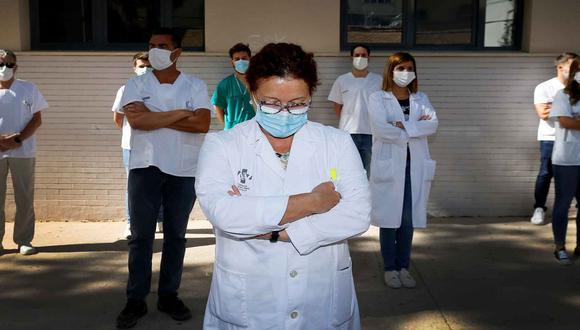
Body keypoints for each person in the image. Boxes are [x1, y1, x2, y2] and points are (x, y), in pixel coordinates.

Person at [196, 43, 370, 329]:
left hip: (321, 297)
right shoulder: (221, 145)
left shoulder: (336, 142)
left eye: (297, 103)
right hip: (248, 303)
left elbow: (358, 214)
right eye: (272, 103)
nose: (285, 112)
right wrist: (314, 202)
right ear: (253, 93)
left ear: (311, 95)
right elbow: (226, 214)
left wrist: (280, 233)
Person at [115, 28, 211, 329]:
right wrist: (182, 113)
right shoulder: (135, 83)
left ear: (177, 52)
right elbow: (138, 121)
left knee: (175, 236)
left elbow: (203, 124)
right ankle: (136, 299)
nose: (156, 50)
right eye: (152, 45)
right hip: (145, 167)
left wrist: (156, 115)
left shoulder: (194, 84)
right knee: (141, 237)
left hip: (183, 171)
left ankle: (169, 295)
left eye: (163, 46)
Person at [368, 52, 438, 289]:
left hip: (414, 165)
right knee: (390, 219)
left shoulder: (420, 98)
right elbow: (381, 130)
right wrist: (414, 129)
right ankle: (390, 268)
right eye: (400, 68)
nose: (405, 73)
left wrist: (403, 125)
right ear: (391, 71)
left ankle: (403, 266)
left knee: (407, 219)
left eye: (409, 68)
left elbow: (433, 124)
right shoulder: (378, 98)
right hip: (390, 164)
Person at [0, 49, 48, 256]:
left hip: (23, 151)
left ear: (16, 67)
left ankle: (24, 240)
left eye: (9, 65)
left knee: (25, 197)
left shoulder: (28, 88)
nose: (4, 69)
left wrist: (17, 139)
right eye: (1, 64)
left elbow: (37, 119)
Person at [111, 52, 163, 240]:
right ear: (134, 68)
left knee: (160, 184)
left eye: (148, 65)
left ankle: (159, 219)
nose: (145, 69)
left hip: (157, 145)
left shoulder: (161, 90)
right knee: (133, 187)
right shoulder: (125, 90)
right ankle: (131, 223)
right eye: (141, 66)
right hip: (132, 147)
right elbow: (118, 118)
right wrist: (130, 133)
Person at [531, 52, 578, 225]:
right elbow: (543, 113)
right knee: (545, 173)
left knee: (574, 174)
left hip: (575, 138)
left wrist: (557, 109)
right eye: (573, 66)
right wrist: (570, 114)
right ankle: (539, 208)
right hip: (550, 137)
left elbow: (552, 112)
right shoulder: (544, 87)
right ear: (560, 67)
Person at [328, 44, 382, 177]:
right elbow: (337, 104)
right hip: (348, 133)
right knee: (347, 169)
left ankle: (367, 197)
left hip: (371, 133)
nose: (360, 58)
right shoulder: (342, 80)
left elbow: (383, 106)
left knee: (369, 171)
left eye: (363, 55)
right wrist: (347, 121)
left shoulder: (378, 80)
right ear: (351, 57)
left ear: (369, 57)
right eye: (357, 55)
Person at [548, 57, 580, 265]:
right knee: (563, 204)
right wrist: (575, 121)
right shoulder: (564, 95)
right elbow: (566, 121)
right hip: (567, 159)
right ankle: (560, 247)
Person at [211, 43, 255, 130]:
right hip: (233, 132)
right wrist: (226, 127)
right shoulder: (225, 84)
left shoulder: (257, 82)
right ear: (232, 62)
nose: (240, 62)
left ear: (250, 59)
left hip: (254, 131)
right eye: (237, 59)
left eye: (244, 58)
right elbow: (217, 106)